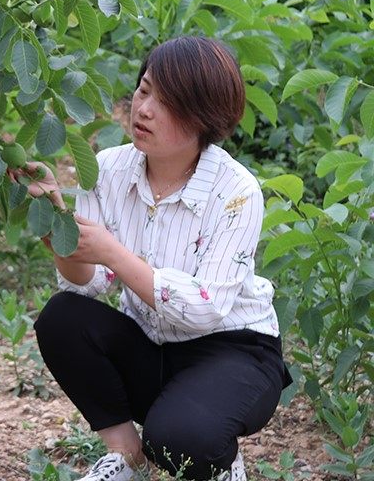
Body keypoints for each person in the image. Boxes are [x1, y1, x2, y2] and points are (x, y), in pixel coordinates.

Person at [16, 37, 292, 481]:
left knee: (180, 439)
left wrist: (114, 253)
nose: (144, 109)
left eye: (168, 103)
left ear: (204, 119)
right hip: (153, 344)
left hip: (233, 352)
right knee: (62, 317)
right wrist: (60, 225)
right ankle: (127, 457)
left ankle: (220, 459)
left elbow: (205, 308)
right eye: (144, 91)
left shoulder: (235, 191)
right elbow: (86, 283)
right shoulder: (108, 169)